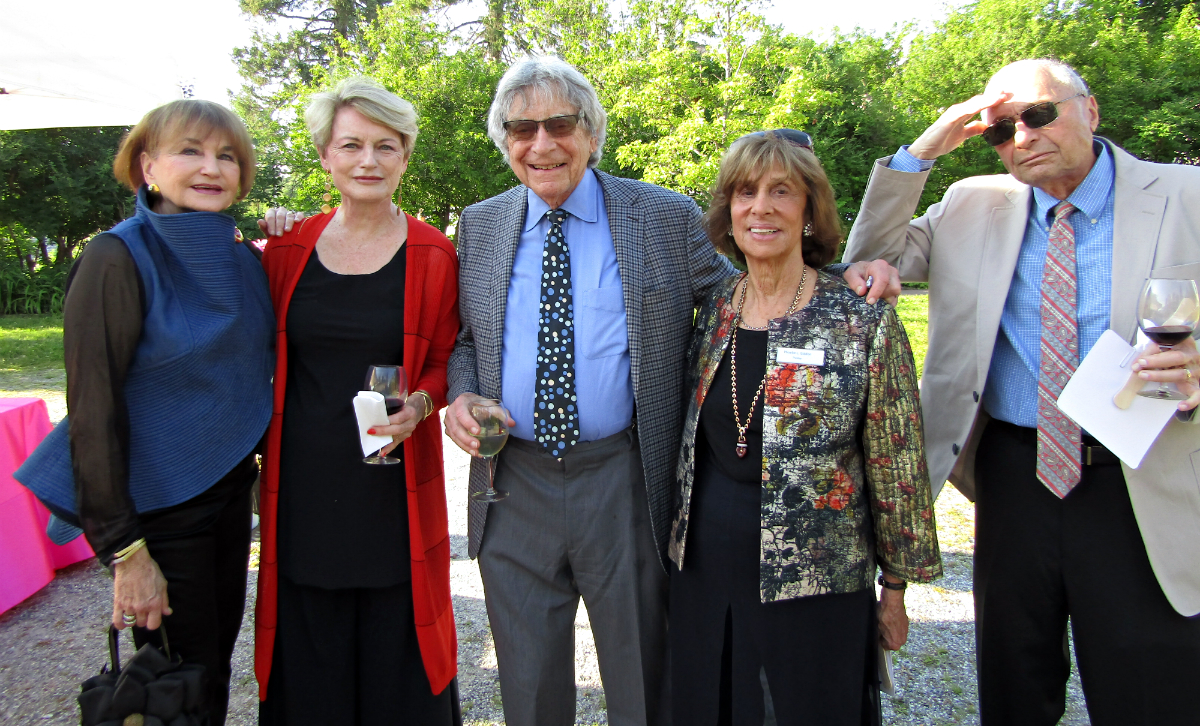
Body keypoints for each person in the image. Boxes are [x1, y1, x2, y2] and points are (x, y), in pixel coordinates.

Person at [443, 56, 899, 726]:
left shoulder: (660, 215)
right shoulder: (480, 226)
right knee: (529, 681)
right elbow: (466, 340)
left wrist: (839, 277)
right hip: (513, 484)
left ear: (592, 133)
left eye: (559, 124)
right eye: (521, 129)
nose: (541, 144)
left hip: (621, 479)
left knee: (643, 677)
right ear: (504, 141)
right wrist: (460, 396)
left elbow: (748, 292)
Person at [843, 58, 1200, 725]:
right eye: (1001, 130)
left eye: (1039, 115)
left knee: (1150, 685)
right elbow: (865, 254)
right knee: (1014, 677)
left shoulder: (1186, 195)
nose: (1022, 138)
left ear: (1090, 110)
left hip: (1141, 473)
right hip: (1014, 475)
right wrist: (925, 149)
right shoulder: (976, 204)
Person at [668, 130, 942, 726]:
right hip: (705, 568)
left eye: (781, 192)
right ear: (728, 211)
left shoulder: (858, 318)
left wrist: (894, 589)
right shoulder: (715, 308)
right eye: (744, 192)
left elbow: (897, 462)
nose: (759, 207)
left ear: (810, 212)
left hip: (816, 577)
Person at [15, 100, 274, 725]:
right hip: (160, 516)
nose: (211, 167)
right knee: (171, 690)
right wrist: (127, 556)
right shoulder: (116, 257)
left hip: (228, 498)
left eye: (227, 156)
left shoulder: (242, 256)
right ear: (147, 164)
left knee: (207, 673)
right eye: (190, 151)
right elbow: (93, 414)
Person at [254, 77, 461, 724]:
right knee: (311, 670)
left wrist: (421, 408)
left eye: (386, 146)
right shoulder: (284, 251)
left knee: (397, 659)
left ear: (404, 157)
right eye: (351, 145)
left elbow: (443, 363)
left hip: (390, 492)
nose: (368, 160)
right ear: (324, 155)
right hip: (303, 493)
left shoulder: (434, 252)